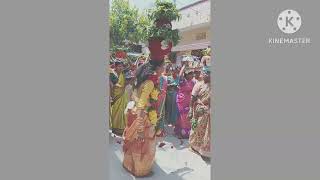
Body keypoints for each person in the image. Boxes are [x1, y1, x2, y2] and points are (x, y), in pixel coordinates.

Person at [122, 60, 165, 177]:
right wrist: (140, 128)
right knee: (144, 145)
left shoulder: (141, 80)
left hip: (134, 113)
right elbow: (141, 104)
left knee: (134, 143)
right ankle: (141, 170)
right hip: (143, 116)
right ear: (156, 68)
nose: (164, 68)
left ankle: (129, 165)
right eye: (163, 66)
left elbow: (134, 96)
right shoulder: (150, 83)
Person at [188, 67, 211, 157]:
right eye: (205, 73)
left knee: (206, 132)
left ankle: (204, 150)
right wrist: (190, 110)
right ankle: (194, 147)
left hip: (208, 112)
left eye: (209, 73)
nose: (207, 75)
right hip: (199, 110)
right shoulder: (199, 84)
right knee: (196, 129)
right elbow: (192, 98)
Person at [175, 64, 195, 139]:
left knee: (188, 116)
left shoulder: (193, 82)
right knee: (183, 116)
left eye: (193, 74)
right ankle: (181, 133)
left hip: (189, 100)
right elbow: (180, 75)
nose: (192, 76)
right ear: (186, 75)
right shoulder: (183, 81)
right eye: (191, 74)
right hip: (182, 101)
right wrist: (184, 67)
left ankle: (187, 132)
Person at [110, 60, 127, 135]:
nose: (121, 68)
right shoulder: (112, 74)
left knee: (121, 112)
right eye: (119, 66)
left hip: (122, 96)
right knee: (114, 112)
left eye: (122, 66)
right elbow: (112, 85)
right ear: (115, 66)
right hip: (114, 96)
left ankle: (120, 129)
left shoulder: (123, 74)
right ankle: (113, 128)